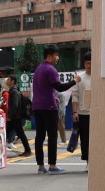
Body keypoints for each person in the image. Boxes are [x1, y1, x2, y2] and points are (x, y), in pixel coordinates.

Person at [32, 45, 79, 174]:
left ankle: (41, 166)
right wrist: (74, 81)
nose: (57, 58)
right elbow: (60, 87)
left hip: (37, 106)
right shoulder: (51, 69)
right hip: (49, 107)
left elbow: (44, 88)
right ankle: (52, 166)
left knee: (39, 137)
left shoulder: (38, 69)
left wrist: (53, 96)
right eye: (56, 55)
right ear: (50, 56)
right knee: (52, 136)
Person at [71, 51, 92, 171]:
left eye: (91, 63)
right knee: (85, 139)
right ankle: (88, 162)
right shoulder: (79, 78)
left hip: (97, 114)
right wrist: (75, 112)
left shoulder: (99, 77)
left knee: (96, 139)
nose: (89, 66)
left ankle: (96, 161)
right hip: (83, 113)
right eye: (87, 63)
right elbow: (75, 95)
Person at [4, 75, 32, 157]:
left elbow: (15, 105)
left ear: (12, 81)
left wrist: (10, 115)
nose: (7, 81)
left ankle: (28, 150)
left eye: (8, 79)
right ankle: (27, 150)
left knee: (20, 134)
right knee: (6, 132)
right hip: (15, 117)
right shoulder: (13, 91)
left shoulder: (14, 92)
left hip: (15, 117)